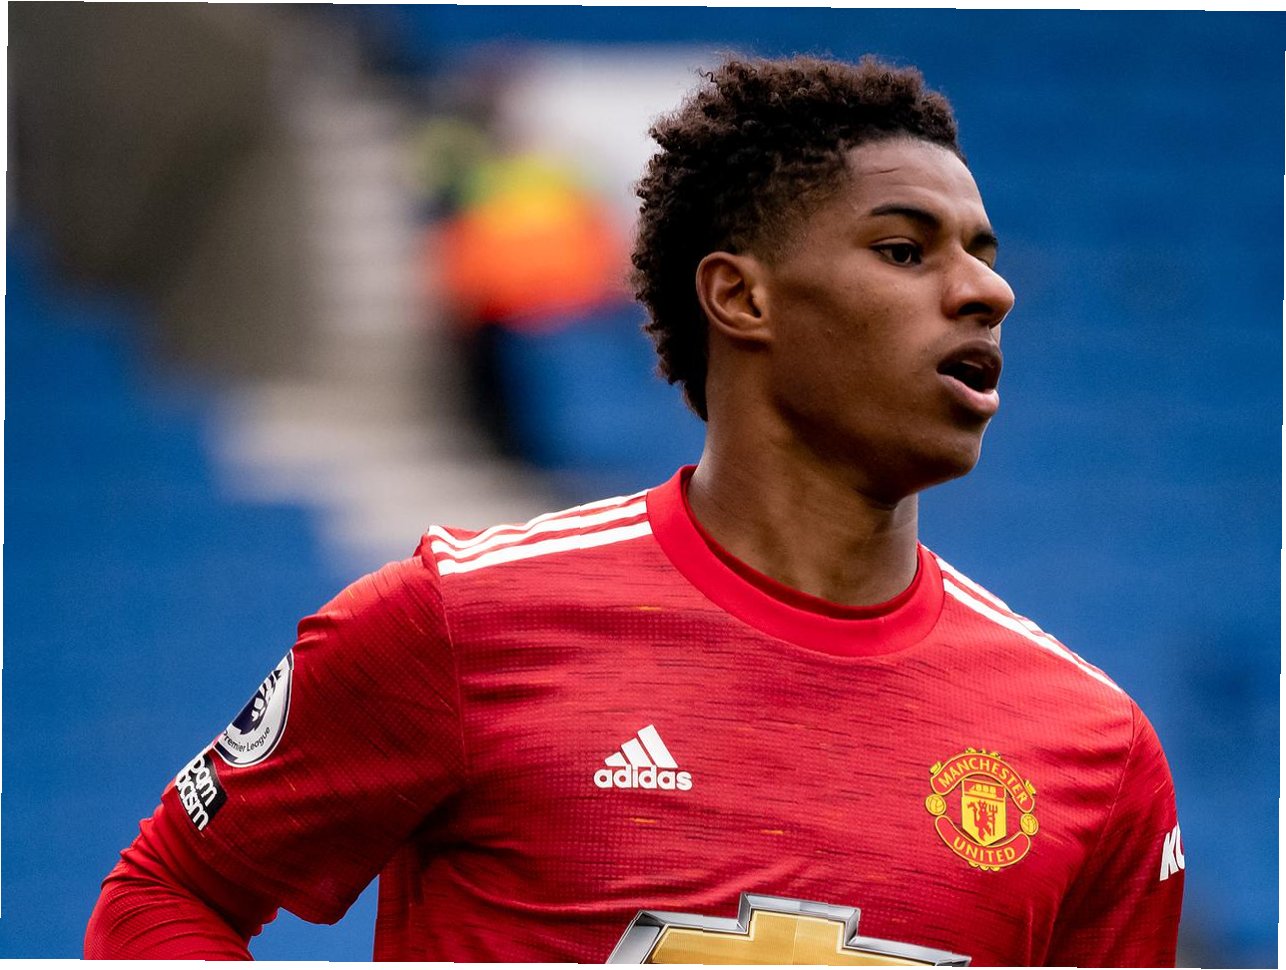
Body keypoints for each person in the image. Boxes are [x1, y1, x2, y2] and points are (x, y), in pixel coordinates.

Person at [85, 55, 1184, 965]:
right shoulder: (459, 623)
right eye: (905, 251)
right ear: (740, 296)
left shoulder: (1094, 751)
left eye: (984, 257)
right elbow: (165, 897)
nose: (987, 291)